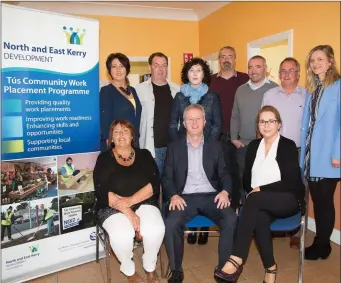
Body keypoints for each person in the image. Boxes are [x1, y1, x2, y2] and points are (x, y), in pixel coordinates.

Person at [214, 106, 305, 283]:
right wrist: (253, 194)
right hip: (260, 203)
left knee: (254, 199)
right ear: (258, 126)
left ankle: (237, 257)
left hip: (288, 199)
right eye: (262, 121)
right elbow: (247, 180)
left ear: (279, 124)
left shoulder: (288, 145)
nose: (266, 125)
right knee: (260, 219)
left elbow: (291, 181)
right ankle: (271, 269)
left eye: (271, 121)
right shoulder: (254, 146)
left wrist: (261, 190)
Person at [163, 104, 236, 283]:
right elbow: (166, 178)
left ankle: (224, 269)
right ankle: (176, 270)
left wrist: (226, 191)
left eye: (198, 119)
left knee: (231, 219)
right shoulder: (174, 147)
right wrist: (173, 195)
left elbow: (225, 174)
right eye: (190, 119)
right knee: (171, 223)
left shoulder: (216, 146)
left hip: (212, 196)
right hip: (184, 197)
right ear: (184, 123)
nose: (194, 123)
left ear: (204, 122)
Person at [94, 119, 165, 283]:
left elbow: (154, 184)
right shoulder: (104, 159)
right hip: (111, 206)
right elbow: (102, 191)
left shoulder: (145, 155)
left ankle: (150, 268)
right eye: (116, 132)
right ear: (110, 138)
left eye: (125, 131)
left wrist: (131, 201)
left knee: (156, 229)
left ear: (132, 135)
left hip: (143, 201)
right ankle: (130, 272)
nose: (121, 135)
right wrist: (128, 211)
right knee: (122, 234)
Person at [169, 57, 222, 245]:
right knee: (189, 186)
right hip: (185, 149)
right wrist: (180, 147)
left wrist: (208, 146)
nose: (195, 74)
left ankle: (204, 229)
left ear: (204, 74)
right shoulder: (179, 96)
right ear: (187, 74)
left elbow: (217, 125)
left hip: (207, 150)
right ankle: (191, 228)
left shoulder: (212, 96)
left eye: (199, 70)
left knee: (206, 183)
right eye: (191, 70)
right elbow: (172, 123)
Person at [261, 57, 308, 249]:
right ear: (278, 73)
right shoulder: (269, 95)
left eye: (291, 70)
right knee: (272, 187)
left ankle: (296, 232)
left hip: (297, 151)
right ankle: (270, 224)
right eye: (283, 70)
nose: (286, 74)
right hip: (274, 149)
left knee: (297, 189)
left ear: (298, 73)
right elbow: (262, 122)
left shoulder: (307, 95)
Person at [300, 45, 340, 260]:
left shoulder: (338, 87)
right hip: (311, 155)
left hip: (328, 156)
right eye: (312, 60)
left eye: (320, 59)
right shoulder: (313, 89)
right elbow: (308, 124)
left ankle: (322, 244)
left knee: (325, 201)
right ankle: (323, 244)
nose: (315, 64)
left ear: (330, 62)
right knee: (318, 200)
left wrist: (337, 153)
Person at [210, 46, 249, 209]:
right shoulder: (210, 80)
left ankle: (245, 213)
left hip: (239, 137)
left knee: (241, 176)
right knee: (220, 175)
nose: (226, 60)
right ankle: (226, 210)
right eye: (223, 57)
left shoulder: (245, 79)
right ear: (219, 60)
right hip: (217, 136)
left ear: (235, 59)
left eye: (230, 56)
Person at [230, 55, 278, 184]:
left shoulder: (274, 89)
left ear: (265, 69)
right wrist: (234, 138)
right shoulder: (240, 90)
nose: (253, 71)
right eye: (250, 67)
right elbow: (235, 115)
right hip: (244, 145)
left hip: (267, 145)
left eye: (258, 67)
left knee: (265, 181)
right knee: (244, 181)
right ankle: (245, 205)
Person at [136, 52, 180, 176]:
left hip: (173, 147)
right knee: (153, 183)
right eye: (156, 65)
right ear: (150, 68)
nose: (160, 69)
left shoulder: (178, 90)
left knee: (172, 184)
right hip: (151, 147)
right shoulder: (139, 90)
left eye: (164, 65)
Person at [99, 53, 142, 152]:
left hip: (133, 143)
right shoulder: (106, 91)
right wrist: (111, 148)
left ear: (127, 69)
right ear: (109, 70)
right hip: (116, 145)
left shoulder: (133, 90)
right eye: (114, 66)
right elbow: (105, 125)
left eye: (121, 66)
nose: (118, 69)